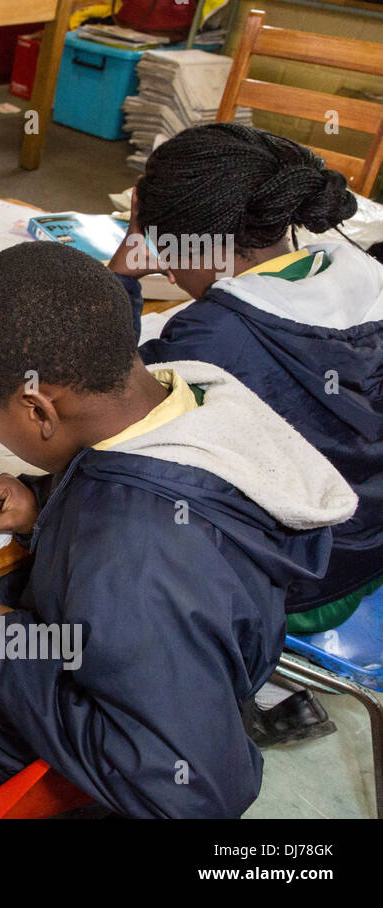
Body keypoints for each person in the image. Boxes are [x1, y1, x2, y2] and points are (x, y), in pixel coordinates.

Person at [0, 241, 356, 818]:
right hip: (124, 666)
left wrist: (9, 648)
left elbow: (196, 795)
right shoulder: (194, 400)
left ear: (39, 410)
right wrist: (43, 513)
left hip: (18, 738)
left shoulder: (134, 557)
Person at [109, 122, 383, 745]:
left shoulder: (213, 337)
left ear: (197, 244)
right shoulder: (363, 273)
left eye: (163, 251)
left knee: (116, 519)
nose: (166, 272)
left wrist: (121, 274)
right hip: (370, 541)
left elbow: (110, 398)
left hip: (308, 579)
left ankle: (240, 687)